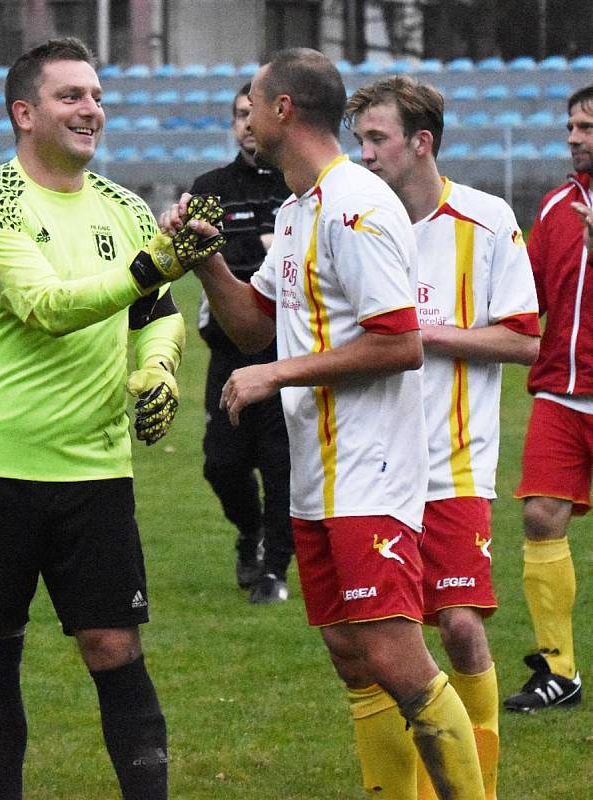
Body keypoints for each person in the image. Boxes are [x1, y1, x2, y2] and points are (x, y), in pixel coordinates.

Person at [165, 48, 484, 799]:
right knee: (348, 652)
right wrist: (207, 261)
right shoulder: (297, 209)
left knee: (398, 660)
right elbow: (252, 328)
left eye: (251, 102)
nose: (243, 115)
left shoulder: (356, 205)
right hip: (318, 475)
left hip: (370, 472)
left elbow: (398, 342)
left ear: (283, 111)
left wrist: (275, 374)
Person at [0, 38, 223, 800]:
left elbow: (156, 313)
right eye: (70, 96)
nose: (90, 108)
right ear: (24, 113)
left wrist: (159, 366)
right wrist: (153, 265)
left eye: (94, 94)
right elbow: (46, 309)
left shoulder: (126, 209)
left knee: (114, 646)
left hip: (95, 469)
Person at [346, 75, 540, 800]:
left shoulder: (487, 222)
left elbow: (523, 340)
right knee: (385, 646)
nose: (362, 155)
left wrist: (419, 335)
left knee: (458, 625)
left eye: (376, 139)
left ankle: (473, 789)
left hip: (454, 464)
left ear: (420, 143)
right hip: (367, 468)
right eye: (358, 140)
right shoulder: (355, 222)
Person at [504, 83, 593, 713]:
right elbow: (520, 296)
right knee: (540, 515)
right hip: (562, 394)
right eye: (571, 126)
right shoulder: (556, 207)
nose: (573, 137)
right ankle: (558, 669)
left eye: (586, 126)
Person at [189, 83, 293, 603]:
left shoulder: (298, 184)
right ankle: (249, 533)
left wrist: (239, 247)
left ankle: (275, 569)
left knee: (281, 464)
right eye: (238, 115)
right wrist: (261, 244)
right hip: (228, 347)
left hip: (287, 350)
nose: (248, 124)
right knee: (221, 463)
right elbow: (199, 253)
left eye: (255, 114)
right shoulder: (210, 186)